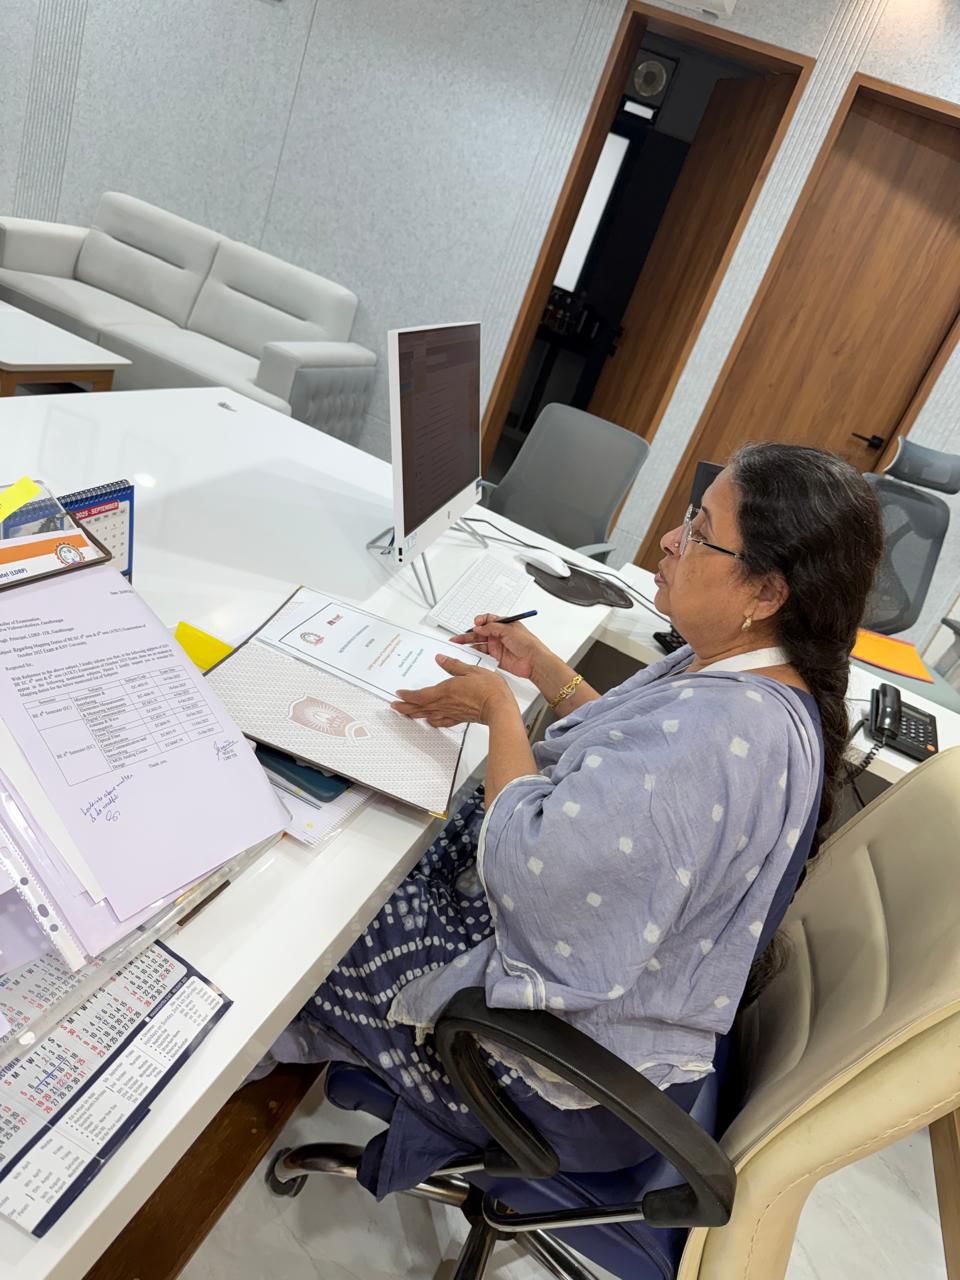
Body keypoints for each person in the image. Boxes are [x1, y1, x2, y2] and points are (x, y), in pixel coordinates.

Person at [262, 443, 884, 1198]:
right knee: (398, 833)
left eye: (700, 533)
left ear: (766, 590)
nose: (670, 539)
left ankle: (271, 1041)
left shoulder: (723, 734)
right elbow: (632, 773)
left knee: (326, 905)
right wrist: (544, 672)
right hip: (625, 1008)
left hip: (560, 1078)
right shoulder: (753, 677)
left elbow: (537, 873)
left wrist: (500, 710)